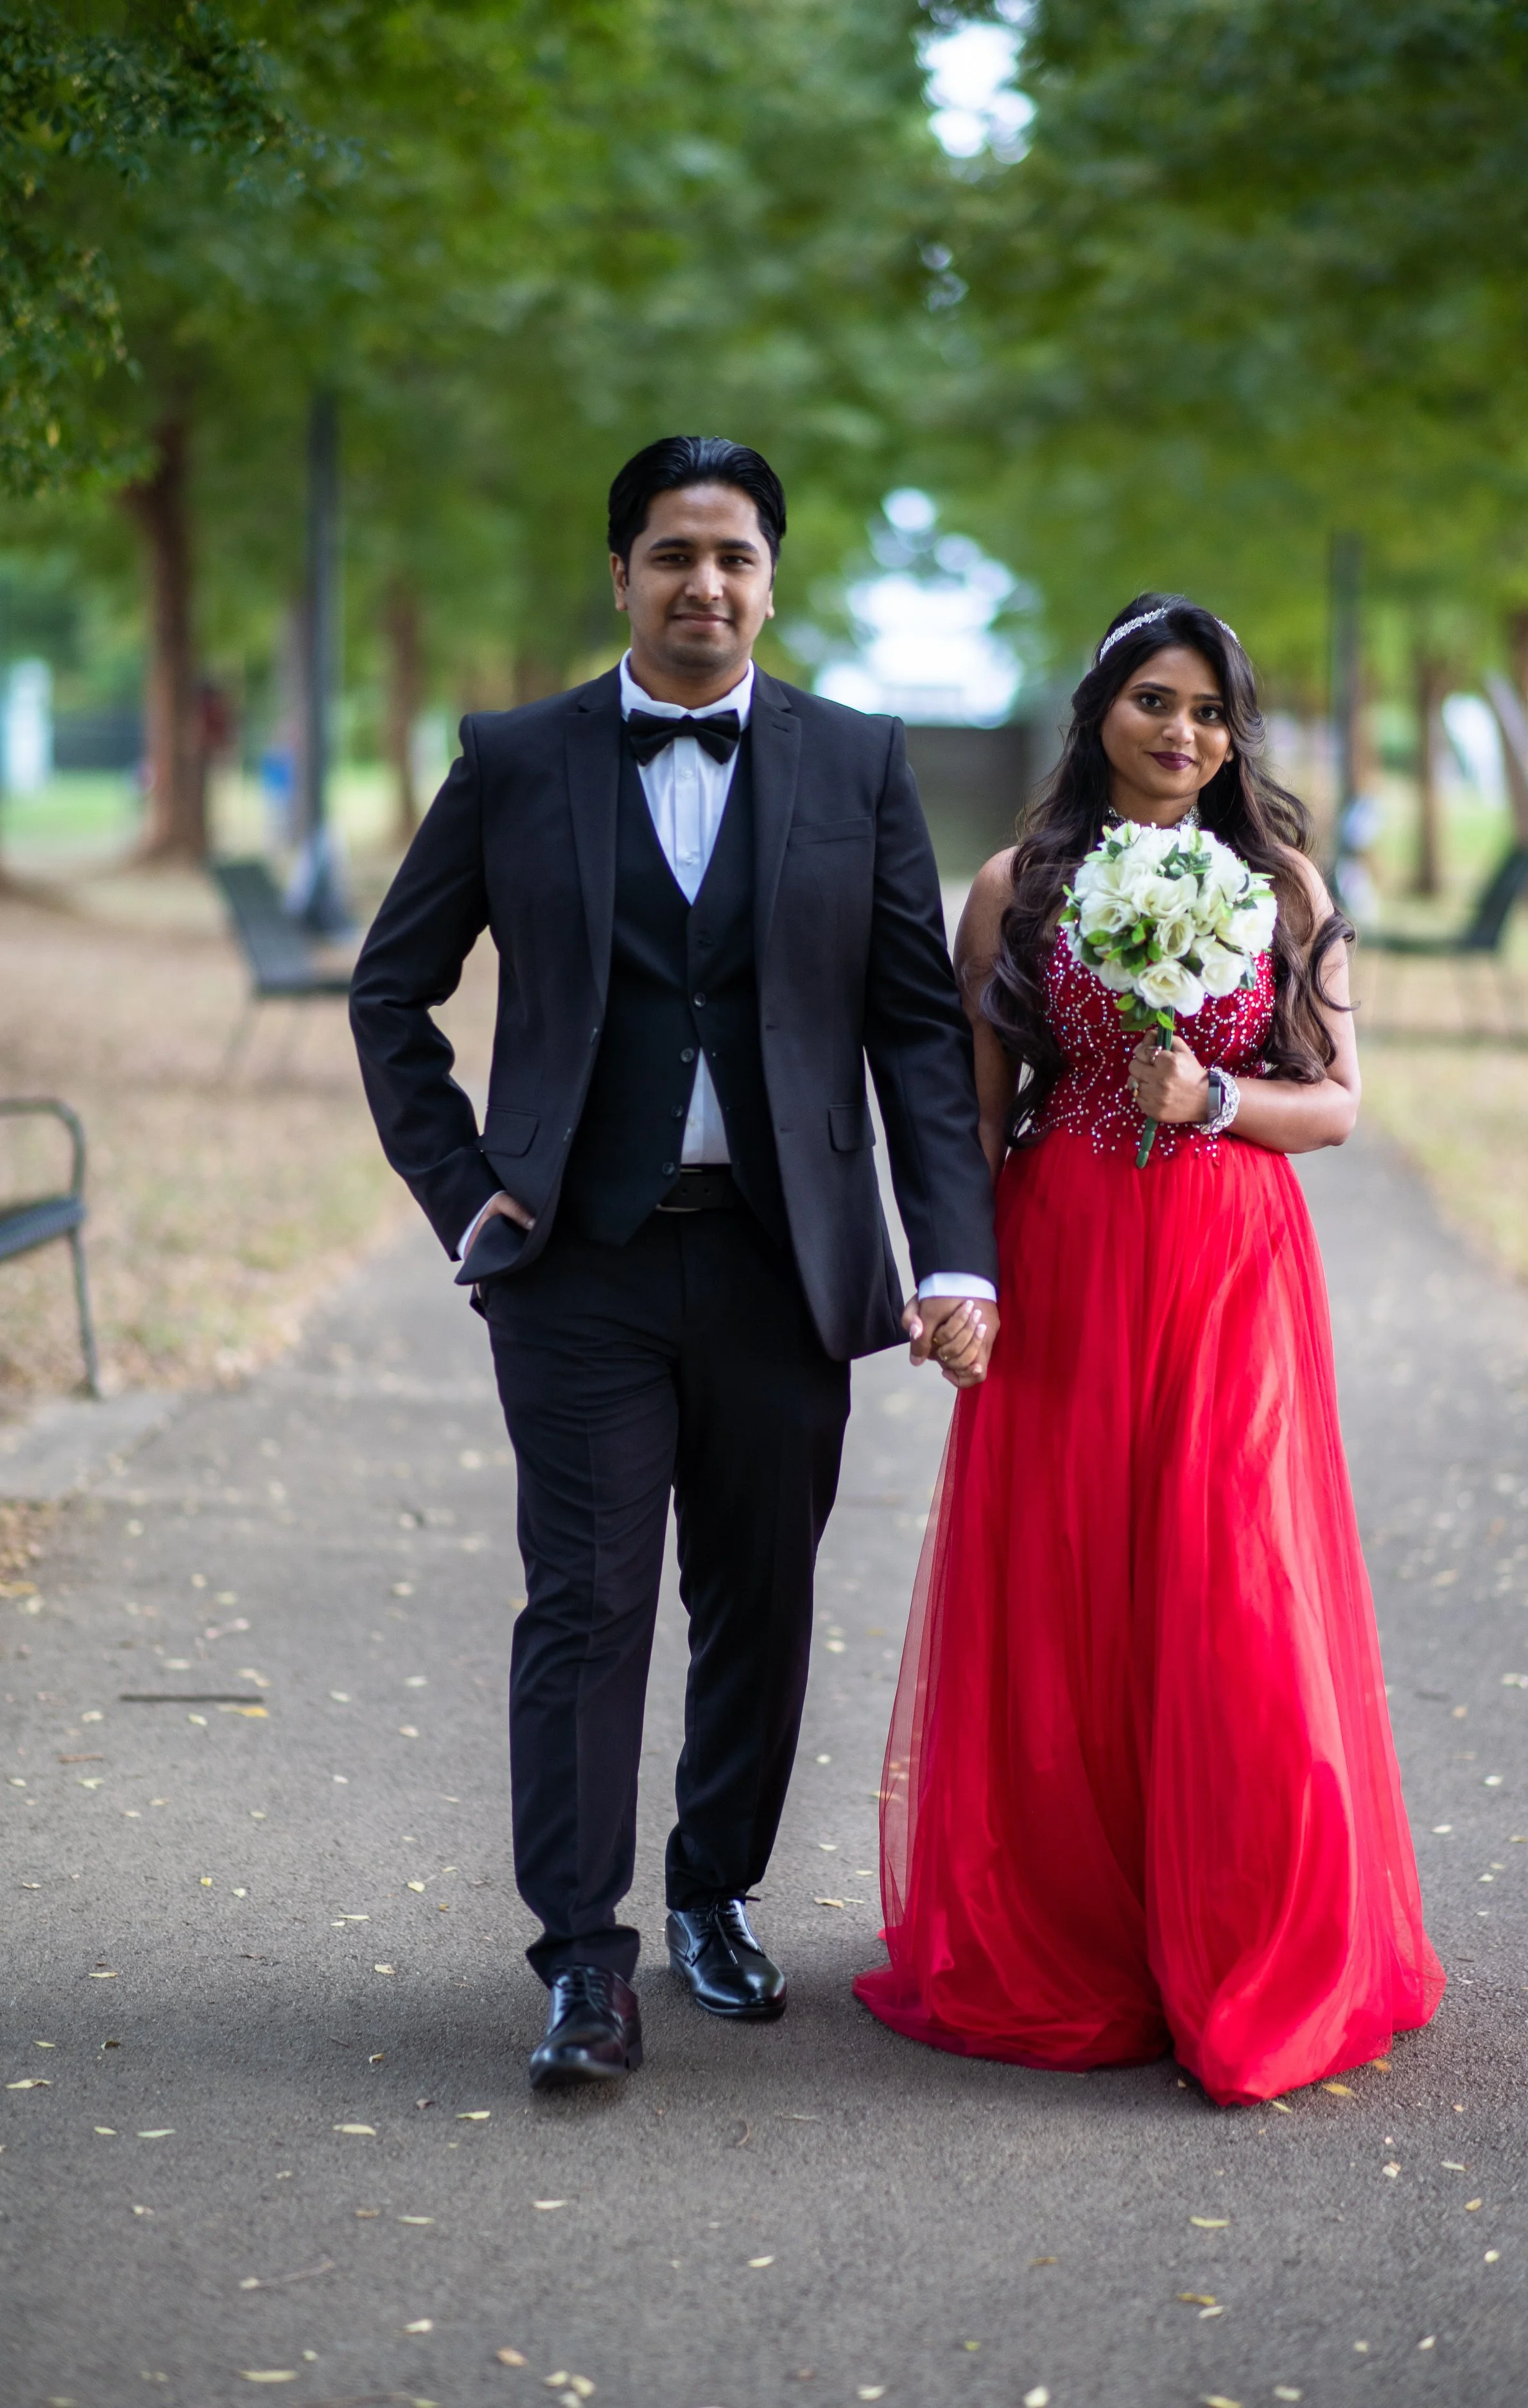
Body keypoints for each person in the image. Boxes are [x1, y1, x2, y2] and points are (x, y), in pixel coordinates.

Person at [349, 436, 999, 2088]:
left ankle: (715, 1891)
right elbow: (392, 993)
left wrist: (954, 1258)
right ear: (621, 575)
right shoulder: (512, 758)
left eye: (731, 557)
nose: (702, 584)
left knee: (761, 1604)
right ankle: (580, 1957)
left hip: (789, 1267)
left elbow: (919, 1029)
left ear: (770, 581)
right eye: (669, 555)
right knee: (585, 1607)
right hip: (576, 1271)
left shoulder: (856, 761)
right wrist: (466, 1195)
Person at [853, 594, 1445, 2106]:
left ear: (1233, 735)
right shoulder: (1008, 886)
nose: (1177, 733)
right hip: (1062, 1253)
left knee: (1231, 1583)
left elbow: (1334, 1106)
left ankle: (1253, 1942)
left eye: (1204, 710)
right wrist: (955, 1276)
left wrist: (1214, 1103)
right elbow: (971, 1117)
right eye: (1148, 701)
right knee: (1064, 1588)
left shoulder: (1283, 883)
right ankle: (1075, 1941)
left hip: (1227, 1263)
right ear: (1096, 710)